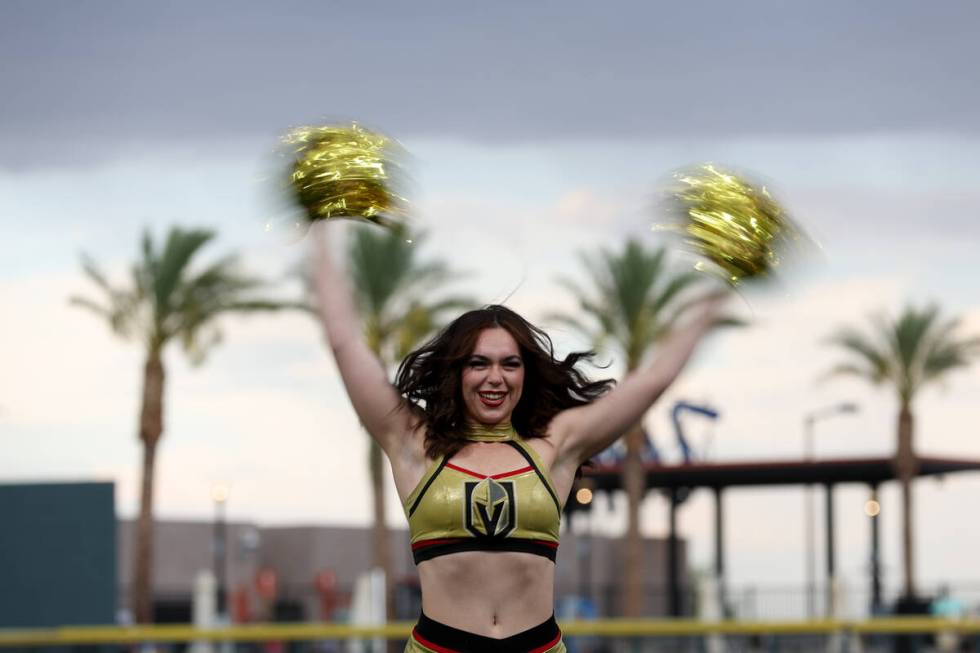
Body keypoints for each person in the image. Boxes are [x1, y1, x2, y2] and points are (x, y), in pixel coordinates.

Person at [311, 223, 728, 653]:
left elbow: (653, 379)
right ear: (458, 372)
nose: (495, 377)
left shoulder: (555, 445)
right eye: (479, 363)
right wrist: (320, 225)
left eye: (510, 364)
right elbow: (345, 343)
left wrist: (721, 279)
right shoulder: (414, 442)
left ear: (525, 373)